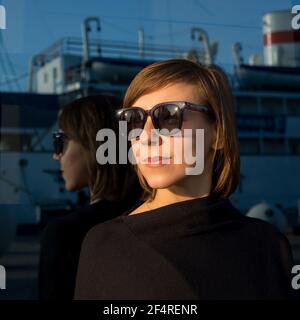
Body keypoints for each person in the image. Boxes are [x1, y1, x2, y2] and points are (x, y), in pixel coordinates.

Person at [74, 60, 297, 299]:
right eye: (133, 120)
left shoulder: (268, 245)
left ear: (218, 133)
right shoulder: (105, 245)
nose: (146, 137)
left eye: (169, 116)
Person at [39, 95, 142, 300]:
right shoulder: (154, 216)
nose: (56, 155)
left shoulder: (65, 235)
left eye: (59, 141)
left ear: (92, 144)